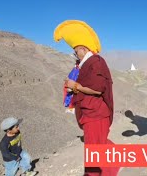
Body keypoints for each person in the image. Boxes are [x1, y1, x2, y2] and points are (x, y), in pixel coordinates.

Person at [54, 20, 119, 176]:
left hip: (95, 114)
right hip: (90, 113)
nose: (74, 54)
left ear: (83, 48)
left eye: (75, 51)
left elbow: (97, 89)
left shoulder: (95, 62)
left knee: (94, 151)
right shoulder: (86, 63)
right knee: (98, 145)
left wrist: (75, 86)